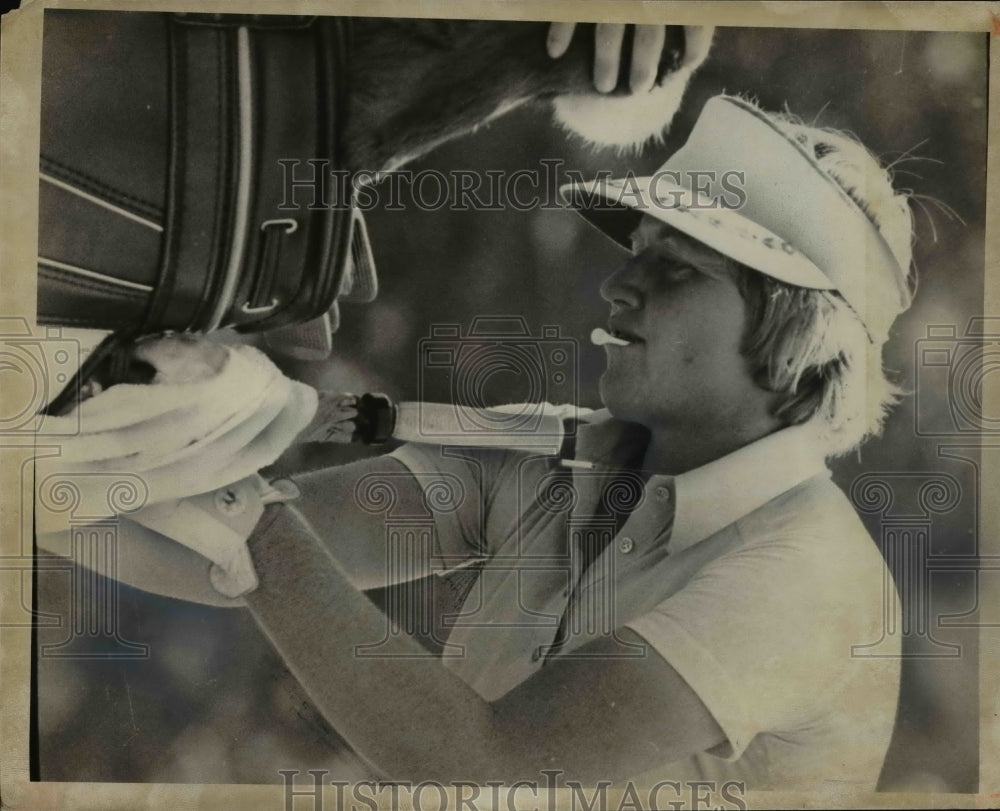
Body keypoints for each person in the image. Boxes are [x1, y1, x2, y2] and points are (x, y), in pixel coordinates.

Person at [37, 92, 914, 790]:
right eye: (636, 250)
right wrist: (31, 477)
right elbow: (217, 564)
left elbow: (486, 761)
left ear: (797, 338)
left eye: (678, 268)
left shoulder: (809, 577)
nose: (619, 285)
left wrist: (244, 503)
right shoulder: (562, 462)